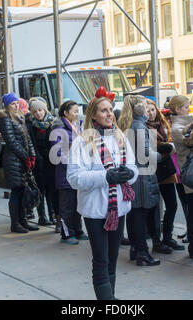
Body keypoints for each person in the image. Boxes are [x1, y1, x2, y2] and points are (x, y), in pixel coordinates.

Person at [67, 90, 138, 300]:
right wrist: (106, 177)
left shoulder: (120, 137)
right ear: (94, 115)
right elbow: (74, 178)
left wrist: (129, 174)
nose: (109, 114)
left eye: (110, 110)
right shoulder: (82, 142)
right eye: (103, 110)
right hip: (96, 210)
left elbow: (132, 167)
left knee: (113, 258)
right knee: (101, 260)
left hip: (120, 208)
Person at [118, 94, 162, 266]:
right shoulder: (139, 127)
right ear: (139, 109)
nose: (148, 109)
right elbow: (146, 155)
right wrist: (162, 153)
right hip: (141, 177)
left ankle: (136, 250)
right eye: (145, 106)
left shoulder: (128, 124)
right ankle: (142, 253)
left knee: (134, 215)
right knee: (140, 217)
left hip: (133, 176)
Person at [169, 95, 193, 260]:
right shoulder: (178, 127)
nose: (188, 109)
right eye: (185, 107)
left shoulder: (184, 125)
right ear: (177, 109)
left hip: (192, 171)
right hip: (189, 173)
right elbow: (191, 141)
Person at [145, 99, 185, 252]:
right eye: (147, 110)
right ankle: (157, 241)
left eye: (153, 110)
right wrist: (166, 147)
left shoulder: (162, 125)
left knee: (172, 205)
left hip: (166, 170)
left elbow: (167, 143)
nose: (151, 113)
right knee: (154, 208)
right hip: (152, 171)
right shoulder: (142, 127)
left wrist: (168, 145)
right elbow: (149, 149)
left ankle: (168, 237)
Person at [0, 92, 39, 233]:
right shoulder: (5, 119)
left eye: (16, 103)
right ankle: (15, 223)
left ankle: (23, 221)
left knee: (22, 192)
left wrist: (31, 155)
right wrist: (25, 156)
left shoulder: (20, 117)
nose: (15, 106)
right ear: (7, 105)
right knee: (16, 192)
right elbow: (11, 142)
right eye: (12, 104)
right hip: (13, 160)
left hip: (22, 159)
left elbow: (27, 139)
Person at [51, 100, 88, 243]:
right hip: (65, 173)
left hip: (77, 171)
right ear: (65, 113)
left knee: (77, 204)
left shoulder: (77, 127)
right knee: (66, 206)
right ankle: (66, 234)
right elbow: (58, 152)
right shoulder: (58, 128)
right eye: (74, 111)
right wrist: (72, 166)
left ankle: (78, 230)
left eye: (78, 111)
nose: (77, 114)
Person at [26, 98, 57, 226]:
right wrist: (36, 158)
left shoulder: (53, 123)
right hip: (38, 164)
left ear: (45, 110)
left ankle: (53, 215)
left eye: (40, 110)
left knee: (51, 191)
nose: (38, 113)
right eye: (35, 111)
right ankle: (42, 216)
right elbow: (31, 144)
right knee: (40, 191)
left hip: (51, 163)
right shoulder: (30, 126)